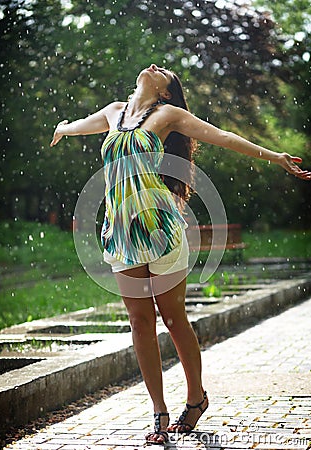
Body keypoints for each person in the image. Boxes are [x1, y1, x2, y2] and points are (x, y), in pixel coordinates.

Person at [50, 63, 310, 445]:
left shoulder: (167, 114)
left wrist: (274, 156)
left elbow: (221, 135)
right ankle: (158, 411)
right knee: (140, 323)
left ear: (166, 91)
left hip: (161, 228)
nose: (155, 66)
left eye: (165, 72)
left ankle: (196, 398)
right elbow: (80, 124)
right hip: (122, 231)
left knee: (172, 319)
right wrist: (62, 127)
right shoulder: (113, 112)